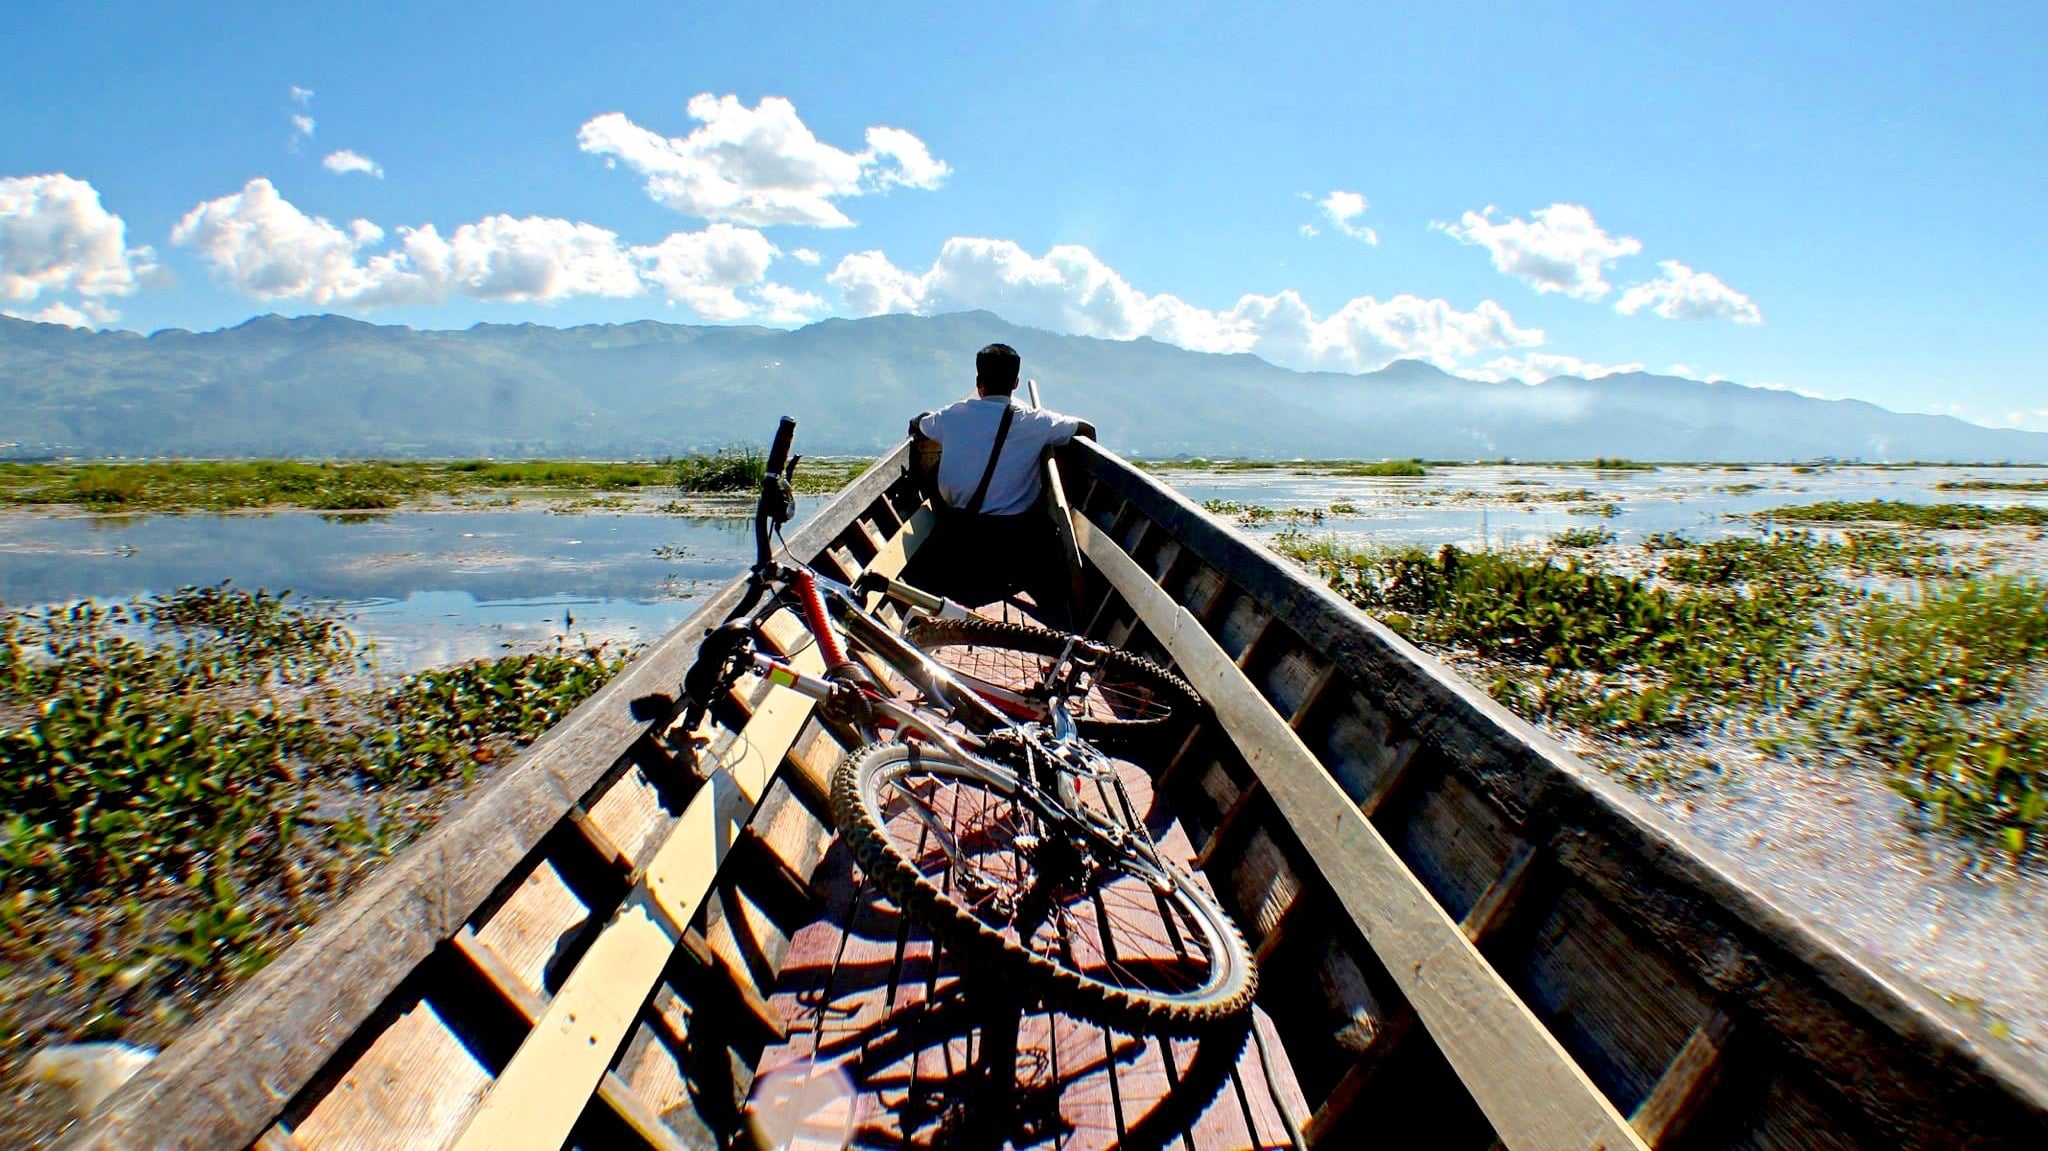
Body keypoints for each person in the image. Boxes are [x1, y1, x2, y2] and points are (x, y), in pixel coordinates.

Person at [899, 343, 1097, 626]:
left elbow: (919, 424)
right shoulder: (1035, 421)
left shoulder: (953, 415)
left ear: (979, 383)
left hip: (957, 541)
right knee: (1049, 544)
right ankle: (1068, 625)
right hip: (1015, 547)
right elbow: (1086, 429)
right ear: (1015, 383)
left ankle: (924, 614)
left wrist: (922, 418)